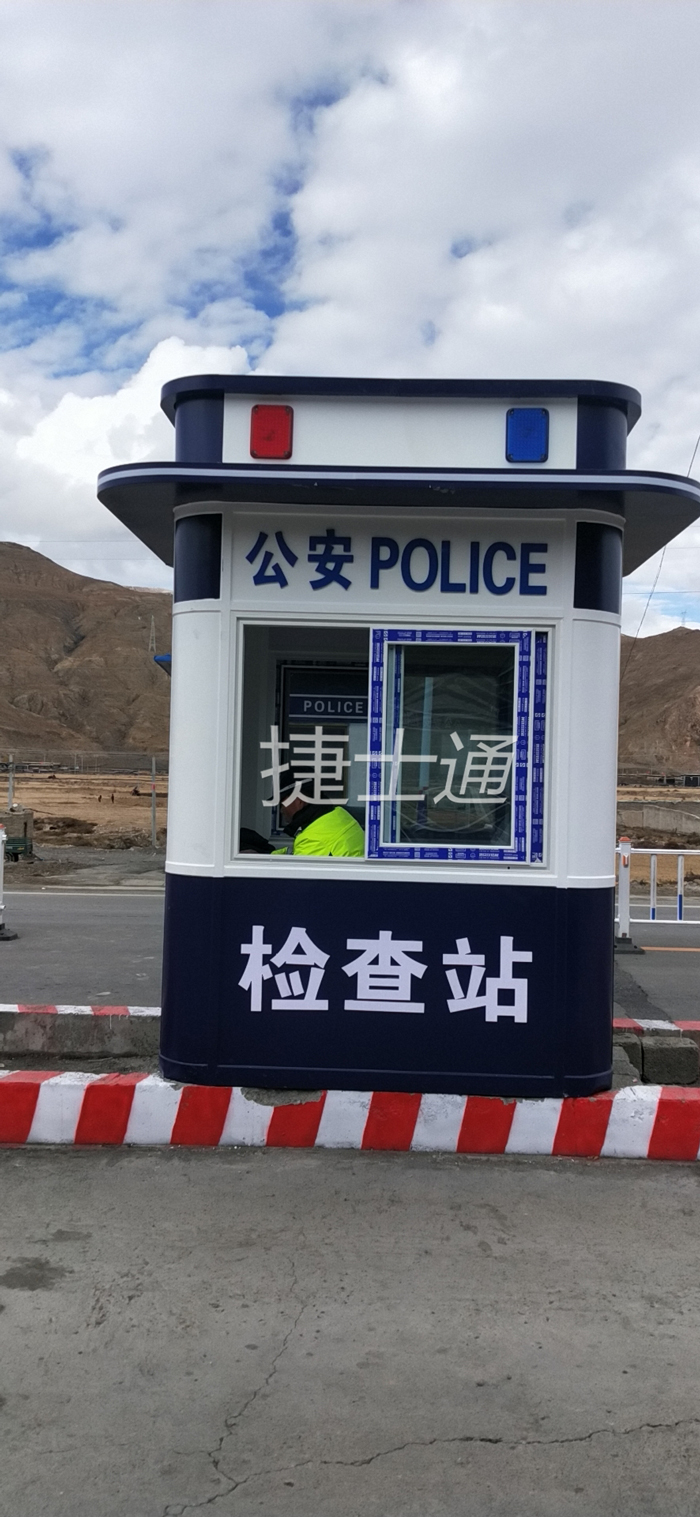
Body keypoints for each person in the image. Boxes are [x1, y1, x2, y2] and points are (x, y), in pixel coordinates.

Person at [274, 774, 365, 857]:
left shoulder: (312, 839)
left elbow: (297, 869)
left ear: (299, 800)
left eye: (282, 802)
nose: (281, 809)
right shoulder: (338, 814)